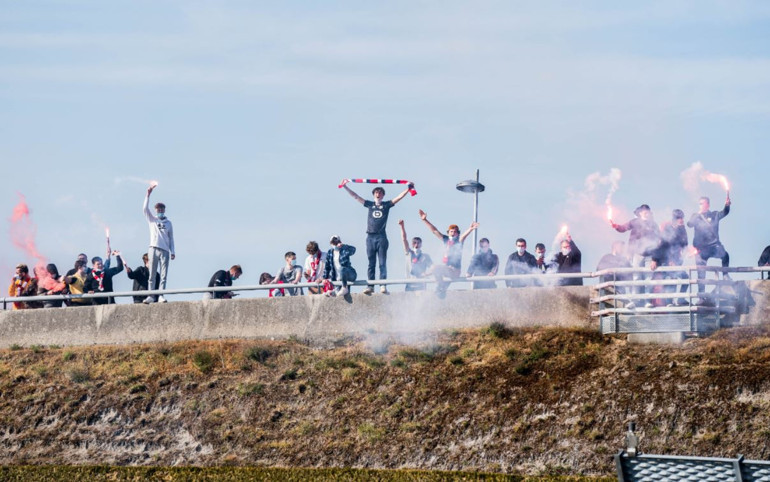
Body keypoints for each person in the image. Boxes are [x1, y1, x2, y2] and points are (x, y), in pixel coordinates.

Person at [341, 180, 413, 295]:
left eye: (380, 192)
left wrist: (408, 189)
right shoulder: (369, 204)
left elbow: (398, 198)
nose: (378, 194)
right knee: (371, 263)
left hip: (381, 237)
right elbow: (355, 196)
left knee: (382, 263)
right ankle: (370, 286)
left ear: (383, 195)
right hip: (370, 237)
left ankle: (383, 285)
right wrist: (345, 187)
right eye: (376, 192)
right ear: (373, 194)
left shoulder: (386, 205)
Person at [418, 209, 478, 296]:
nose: (453, 233)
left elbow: (464, 236)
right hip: (446, 269)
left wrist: (470, 229)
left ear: (457, 233)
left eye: (455, 232)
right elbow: (434, 231)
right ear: (448, 232)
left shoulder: (458, 241)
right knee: (434, 269)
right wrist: (425, 220)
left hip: (454, 270)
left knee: (435, 269)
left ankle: (441, 287)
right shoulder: (445, 239)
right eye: (451, 231)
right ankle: (441, 288)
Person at [610, 204, 661, 297]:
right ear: (640, 213)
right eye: (644, 211)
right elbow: (623, 228)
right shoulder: (634, 222)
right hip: (637, 254)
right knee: (636, 277)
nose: (646, 213)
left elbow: (658, 243)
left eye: (647, 211)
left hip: (650, 256)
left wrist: (655, 259)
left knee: (648, 278)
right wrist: (616, 226)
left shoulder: (654, 225)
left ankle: (647, 300)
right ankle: (635, 299)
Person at [687, 195, 731, 295]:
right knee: (701, 273)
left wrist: (727, 205)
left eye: (702, 203)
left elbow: (724, 212)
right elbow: (689, 224)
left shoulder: (714, 214)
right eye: (699, 204)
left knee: (725, 255)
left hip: (713, 246)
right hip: (700, 249)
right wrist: (696, 215)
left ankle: (725, 275)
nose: (700, 205)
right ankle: (701, 296)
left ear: (708, 204)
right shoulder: (696, 216)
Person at [143, 184, 175, 303]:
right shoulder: (152, 220)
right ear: (156, 210)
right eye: (158, 210)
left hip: (165, 250)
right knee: (152, 274)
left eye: (162, 210)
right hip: (153, 248)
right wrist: (148, 194)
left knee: (163, 274)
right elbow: (144, 209)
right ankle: (151, 295)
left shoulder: (168, 223)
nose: (160, 211)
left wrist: (173, 251)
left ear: (164, 210)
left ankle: (161, 295)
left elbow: (171, 238)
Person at [655, 209, 689, 306]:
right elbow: (663, 245)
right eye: (679, 218)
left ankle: (681, 300)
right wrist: (669, 260)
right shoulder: (667, 228)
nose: (681, 220)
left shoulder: (682, 229)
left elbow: (685, 244)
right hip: (666, 259)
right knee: (671, 280)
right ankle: (669, 302)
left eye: (682, 217)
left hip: (677, 260)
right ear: (675, 219)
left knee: (685, 278)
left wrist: (684, 254)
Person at [398, 219, 432, 291]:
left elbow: (433, 268)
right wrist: (402, 227)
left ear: (421, 244)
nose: (416, 244)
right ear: (412, 244)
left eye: (418, 243)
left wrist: (425, 274)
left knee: (422, 302)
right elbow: (404, 239)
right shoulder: (408, 253)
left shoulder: (425, 256)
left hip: (421, 284)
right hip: (410, 283)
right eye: (414, 242)